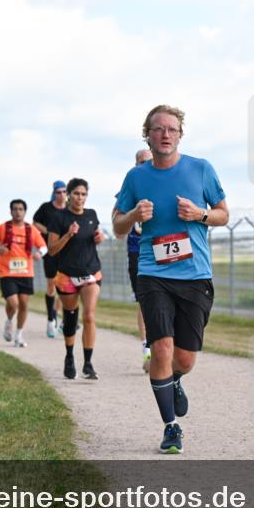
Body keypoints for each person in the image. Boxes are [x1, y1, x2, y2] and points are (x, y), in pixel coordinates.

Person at [113, 104, 229, 454]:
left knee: (185, 359)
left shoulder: (201, 169)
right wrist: (133, 214)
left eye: (172, 129)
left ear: (180, 134)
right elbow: (118, 227)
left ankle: (174, 380)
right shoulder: (136, 178)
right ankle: (170, 427)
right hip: (153, 272)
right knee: (161, 348)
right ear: (146, 134)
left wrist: (201, 214)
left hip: (194, 275)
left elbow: (224, 214)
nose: (165, 134)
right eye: (158, 129)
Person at [46, 178, 105, 380]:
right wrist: (68, 235)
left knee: (89, 315)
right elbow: (52, 250)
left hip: (91, 273)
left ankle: (88, 363)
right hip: (66, 276)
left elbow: (95, 236)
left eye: (83, 194)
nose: (80, 198)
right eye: (77, 193)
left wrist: (99, 238)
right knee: (70, 318)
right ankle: (70, 356)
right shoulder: (58, 218)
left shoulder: (91, 215)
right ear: (69, 194)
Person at [0, 199, 48, 347]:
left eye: (21, 209)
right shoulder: (3, 228)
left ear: (25, 212)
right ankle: (9, 321)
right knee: (13, 303)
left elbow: (44, 246)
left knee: (24, 305)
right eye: (15, 209)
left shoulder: (31, 230)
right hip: (7, 271)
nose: (18, 212)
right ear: (11, 211)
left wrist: (39, 253)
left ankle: (19, 334)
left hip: (26, 272)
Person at [116, 149, 154, 372]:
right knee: (144, 301)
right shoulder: (128, 189)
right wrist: (129, 219)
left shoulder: (165, 184)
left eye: (148, 161)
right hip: (137, 252)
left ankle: (162, 343)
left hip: (161, 249)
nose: (144, 165)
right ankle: (146, 347)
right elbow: (118, 227)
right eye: (140, 162)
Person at [32, 181, 69, 338]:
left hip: (66, 252)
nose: (61, 195)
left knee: (64, 287)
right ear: (54, 193)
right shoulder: (46, 208)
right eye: (58, 192)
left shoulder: (69, 209)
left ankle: (56, 316)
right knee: (51, 286)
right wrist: (48, 231)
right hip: (50, 251)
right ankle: (50, 318)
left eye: (64, 191)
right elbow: (35, 223)